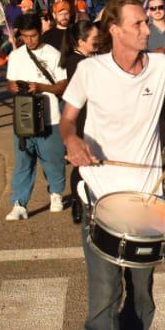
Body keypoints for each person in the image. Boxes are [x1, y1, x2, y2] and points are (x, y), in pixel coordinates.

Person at [60, 0, 165, 330]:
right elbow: (67, 118)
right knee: (103, 294)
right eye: (136, 24)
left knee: (143, 295)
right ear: (114, 30)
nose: (145, 29)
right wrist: (73, 141)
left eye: (145, 24)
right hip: (100, 194)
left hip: (147, 195)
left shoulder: (162, 65)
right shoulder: (90, 71)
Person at [4, 13, 69, 220]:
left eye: (33, 36)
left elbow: (62, 86)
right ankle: (19, 203)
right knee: (23, 160)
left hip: (50, 116)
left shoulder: (53, 54)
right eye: (25, 36)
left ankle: (56, 194)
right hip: (23, 116)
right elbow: (9, 82)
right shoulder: (15, 56)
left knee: (53, 159)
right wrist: (13, 86)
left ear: (40, 33)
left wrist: (40, 87)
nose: (29, 40)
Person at [63, 19, 100, 224]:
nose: (97, 42)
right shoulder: (76, 61)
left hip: (90, 114)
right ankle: (78, 202)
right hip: (82, 116)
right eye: (94, 39)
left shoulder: (87, 58)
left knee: (90, 160)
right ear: (81, 41)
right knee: (80, 162)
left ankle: (86, 200)